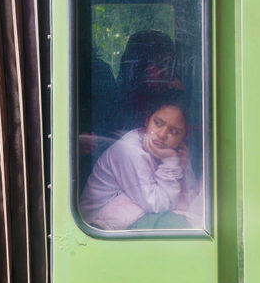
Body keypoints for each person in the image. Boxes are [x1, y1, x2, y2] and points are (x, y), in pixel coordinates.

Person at [79, 96, 202, 230]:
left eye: (173, 132)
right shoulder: (130, 151)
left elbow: (191, 199)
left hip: (130, 216)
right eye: (158, 123)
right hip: (97, 225)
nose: (162, 134)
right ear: (147, 120)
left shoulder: (174, 150)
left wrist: (181, 166)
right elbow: (158, 205)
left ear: (185, 137)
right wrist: (171, 161)